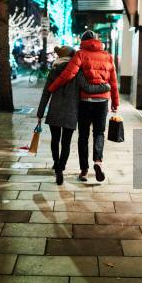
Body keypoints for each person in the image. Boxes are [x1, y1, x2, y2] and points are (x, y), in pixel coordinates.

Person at [48, 30, 120, 182]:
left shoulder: (80, 54)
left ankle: (84, 170)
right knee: (99, 133)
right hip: (102, 101)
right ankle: (98, 162)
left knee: (83, 135)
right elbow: (113, 82)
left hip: (85, 101)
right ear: (97, 40)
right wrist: (115, 102)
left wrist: (52, 87)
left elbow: (68, 74)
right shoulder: (108, 56)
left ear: (83, 40)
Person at [37, 46, 110, 185]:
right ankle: (61, 168)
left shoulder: (53, 70)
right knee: (66, 143)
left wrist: (40, 112)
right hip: (71, 112)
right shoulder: (77, 72)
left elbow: (46, 93)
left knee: (55, 140)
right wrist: (105, 87)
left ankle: (56, 164)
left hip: (54, 111)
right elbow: (88, 88)